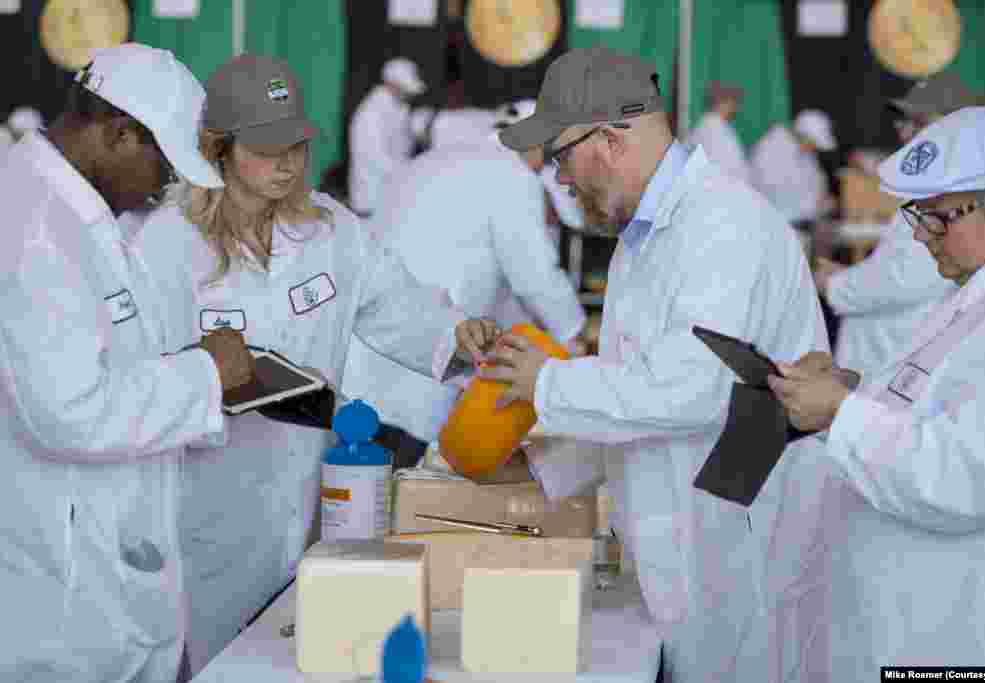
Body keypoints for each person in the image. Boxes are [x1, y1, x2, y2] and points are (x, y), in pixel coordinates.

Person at [136, 53, 499, 675]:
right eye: (267, 146)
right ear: (217, 148)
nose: (288, 162)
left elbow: (400, 307)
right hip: (200, 505)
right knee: (218, 662)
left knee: (298, 654)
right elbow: (142, 378)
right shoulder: (168, 243)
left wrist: (457, 336)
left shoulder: (332, 230)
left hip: (310, 495)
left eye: (297, 145)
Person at [486, 46, 828, 682]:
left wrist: (548, 381)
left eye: (561, 157)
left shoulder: (724, 227)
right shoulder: (641, 238)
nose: (559, 178)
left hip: (736, 546)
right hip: (682, 538)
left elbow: (694, 389)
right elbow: (636, 392)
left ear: (610, 139)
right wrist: (545, 470)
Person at [0, 43, 252, 683]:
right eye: (164, 169)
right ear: (118, 134)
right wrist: (206, 374)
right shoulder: (37, 230)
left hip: (97, 575)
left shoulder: (71, 213)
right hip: (63, 604)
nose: (166, 190)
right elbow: (69, 413)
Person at [769, 106, 985, 679]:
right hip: (906, 623)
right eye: (918, 216)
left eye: (942, 218)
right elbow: (934, 405)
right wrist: (853, 390)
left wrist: (842, 415)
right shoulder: (979, 291)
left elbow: (968, 475)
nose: (924, 235)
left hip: (955, 636)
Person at [342, 106, 586, 466]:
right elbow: (534, 274)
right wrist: (575, 336)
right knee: (399, 495)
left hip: (364, 360)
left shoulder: (431, 160)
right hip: (418, 365)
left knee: (361, 494)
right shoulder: (511, 175)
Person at [813, 70, 969, 375]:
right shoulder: (931, 186)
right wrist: (852, 275)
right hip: (886, 355)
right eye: (903, 121)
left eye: (919, 123)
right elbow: (903, 264)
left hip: (898, 362)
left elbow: (910, 277)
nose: (904, 133)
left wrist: (835, 284)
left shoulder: (953, 192)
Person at [348, 57, 426, 216]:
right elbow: (374, 157)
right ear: (392, 84)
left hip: (391, 200)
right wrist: (410, 174)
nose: (409, 94)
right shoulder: (371, 113)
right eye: (405, 89)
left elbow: (407, 135)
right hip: (371, 203)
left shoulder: (399, 106)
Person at [750, 108, 837, 223]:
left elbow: (816, 178)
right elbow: (778, 196)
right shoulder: (770, 150)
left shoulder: (804, 151)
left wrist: (822, 195)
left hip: (800, 220)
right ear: (804, 135)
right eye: (814, 143)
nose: (814, 149)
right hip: (778, 223)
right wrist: (815, 206)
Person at [686, 81, 750, 183]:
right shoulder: (710, 127)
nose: (736, 107)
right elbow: (720, 167)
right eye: (733, 101)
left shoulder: (718, 125)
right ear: (724, 102)